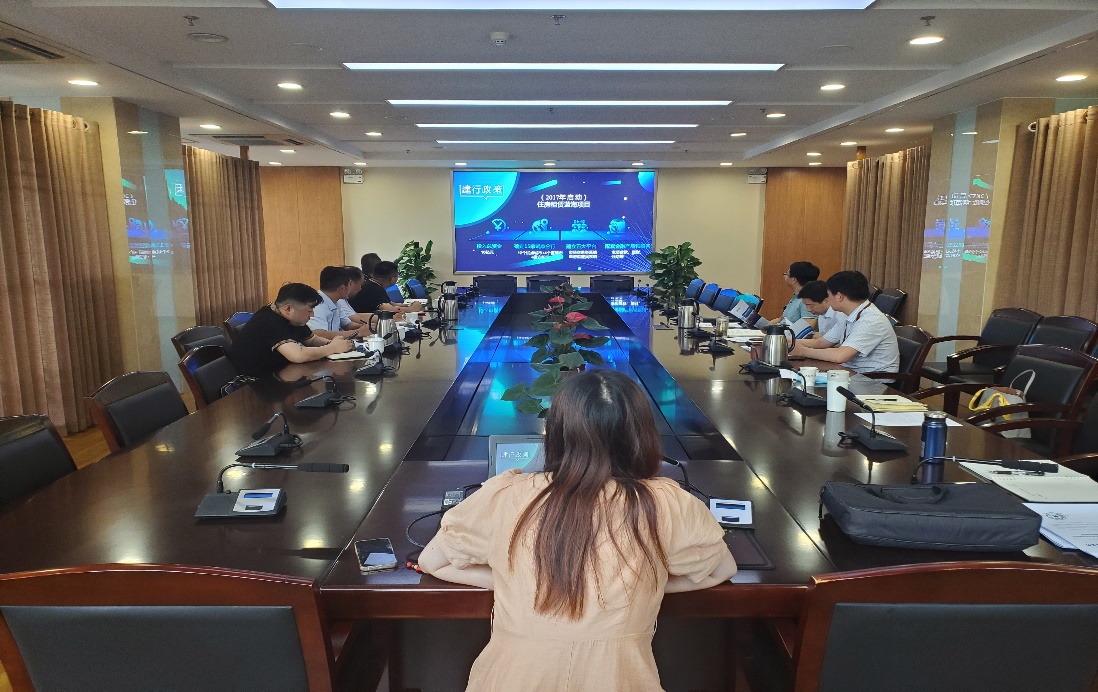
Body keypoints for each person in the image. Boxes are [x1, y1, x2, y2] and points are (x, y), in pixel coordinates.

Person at [419, 369, 737, 691]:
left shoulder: (504, 494)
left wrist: (509, 578)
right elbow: (720, 570)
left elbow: (433, 562)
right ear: (641, 435)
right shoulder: (667, 503)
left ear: (556, 434)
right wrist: (644, 584)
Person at [228, 282, 354, 377]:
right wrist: (332, 348)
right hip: (256, 384)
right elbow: (298, 355)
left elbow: (311, 340)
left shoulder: (290, 317)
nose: (312, 315)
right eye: (309, 310)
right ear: (288, 309)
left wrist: (334, 343)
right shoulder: (269, 321)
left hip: (281, 374)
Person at [790, 270, 899, 375]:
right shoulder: (848, 314)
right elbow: (821, 343)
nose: (827, 299)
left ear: (839, 296)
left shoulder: (870, 320)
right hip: (849, 372)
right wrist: (789, 343)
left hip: (872, 380)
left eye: (828, 295)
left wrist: (802, 351)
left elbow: (840, 356)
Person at [308, 266, 368, 340]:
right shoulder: (318, 305)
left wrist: (366, 327)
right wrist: (358, 332)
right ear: (342, 288)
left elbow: (347, 324)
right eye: (350, 284)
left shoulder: (335, 301)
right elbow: (319, 334)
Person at [348, 260, 421, 315]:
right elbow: (389, 310)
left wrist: (407, 305)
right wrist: (412, 308)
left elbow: (389, 304)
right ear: (392, 279)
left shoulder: (371, 284)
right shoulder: (374, 289)